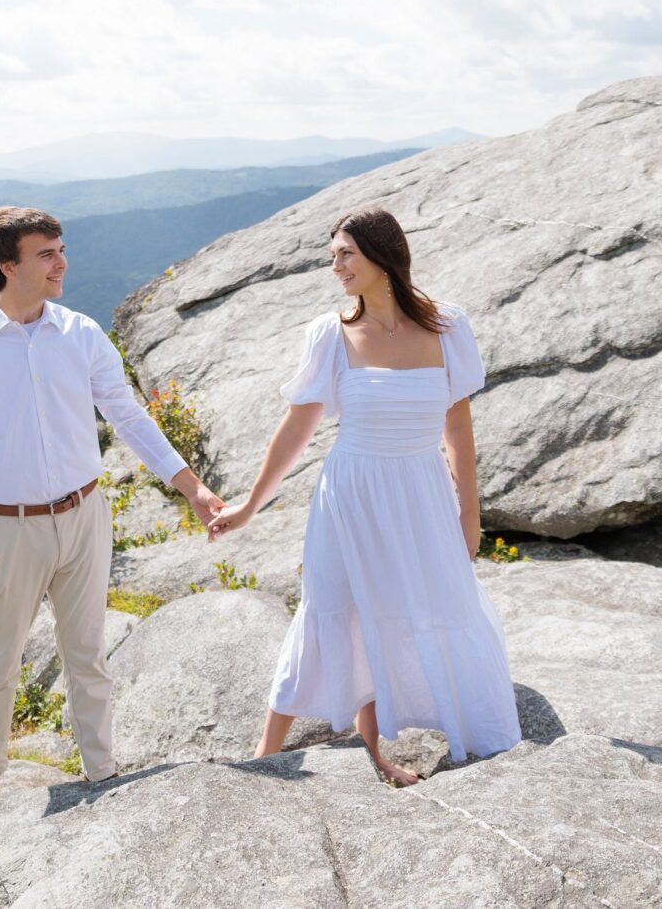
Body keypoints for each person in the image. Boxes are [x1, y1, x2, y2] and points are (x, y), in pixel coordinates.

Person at [0, 206, 224, 800]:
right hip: (5, 530)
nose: (62, 262)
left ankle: (102, 776)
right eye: (46, 254)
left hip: (84, 515)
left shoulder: (81, 333)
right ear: (7, 266)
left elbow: (129, 417)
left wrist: (195, 490)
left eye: (61, 249)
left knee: (88, 655)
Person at [207, 205, 521, 784]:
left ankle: (380, 749)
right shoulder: (331, 334)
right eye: (333, 257)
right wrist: (250, 505)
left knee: (406, 610)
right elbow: (297, 428)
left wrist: (470, 512)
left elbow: (458, 427)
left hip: (421, 492)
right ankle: (263, 756)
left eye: (345, 253)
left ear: (383, 254)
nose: (337, 267)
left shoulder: (447, 326)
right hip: (351, 495)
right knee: (334, 607)